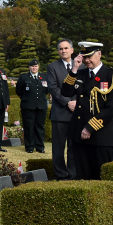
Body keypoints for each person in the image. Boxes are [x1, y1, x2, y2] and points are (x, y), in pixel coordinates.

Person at [61, 41, 113, 180]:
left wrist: (90, 127)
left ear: (99, 54)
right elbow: (66, 91)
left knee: (100, 176)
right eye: (84, 57)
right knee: (83, 176)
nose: (87, 60)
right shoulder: (80, 74)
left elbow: (112, 107)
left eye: (90, 56)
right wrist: (74, 69)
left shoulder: (111, 75)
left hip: (100, 134)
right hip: (79, 134)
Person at [47, 39, 78, 179]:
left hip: (76, 114)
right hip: (60, 113)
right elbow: (53, 88)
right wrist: (68, 102)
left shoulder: (81, 67)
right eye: (60, 49)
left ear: (72, 50)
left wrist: (76, 102)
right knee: (58, 149)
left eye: (66, 48)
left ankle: (73, 174)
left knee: (74, 148)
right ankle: (60, 174)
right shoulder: (52, 67)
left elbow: (84, 87)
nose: (63, 51)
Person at [16, 59, 49, 153]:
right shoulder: (24, 77)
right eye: (32, 66)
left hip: (41, 105)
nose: (34, 68)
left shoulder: (44, 76)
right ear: (29, 67)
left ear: (38, 67)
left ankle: (40, 146)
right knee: (29, 127)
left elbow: (46, 90)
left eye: (36, 66)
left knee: (40, 127)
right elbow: (19, 91)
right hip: (28, 106)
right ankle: (29, 147)